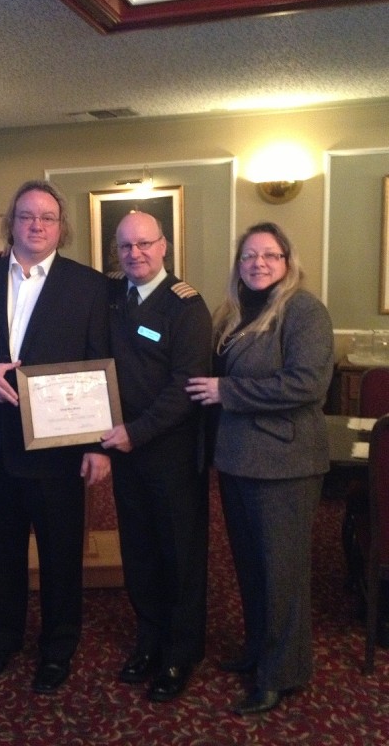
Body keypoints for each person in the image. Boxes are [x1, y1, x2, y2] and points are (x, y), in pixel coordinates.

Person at [0, 179, 111, 694]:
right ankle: (4, 640)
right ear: (10, 223)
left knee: (62, 556)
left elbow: (100, 366)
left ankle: (58, 647)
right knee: (2, 550)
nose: (36, 225)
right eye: (26, 216)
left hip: (58, 450)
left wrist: (95, 445)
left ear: (62, 228)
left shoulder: (88, 285)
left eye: (47, 217)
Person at [186, 221, 334, 715]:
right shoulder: (230, 312)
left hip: (285, 462)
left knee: (282, 572)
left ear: (288, 262)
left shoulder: (304, 311)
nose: (258, 263)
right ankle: (257, 651)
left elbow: (306, 384)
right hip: (236, 459)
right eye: (249, 256)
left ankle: (282, 672)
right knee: (250, 567)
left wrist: (228, 392)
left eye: (269, 255)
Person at [100, 211, 212, 702]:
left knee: (179, 553)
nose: (135, 254)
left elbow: (185, 389)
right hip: (127, 453)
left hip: (170, 453)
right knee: (139, 551)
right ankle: (149, 638)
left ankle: (181, 650)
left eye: (145, 244)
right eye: (126, 246)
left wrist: (135, 432)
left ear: (164, 246)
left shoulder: (186, 306)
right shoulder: (110, 299)